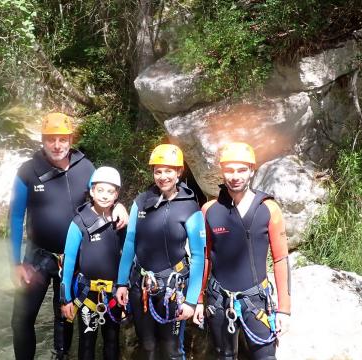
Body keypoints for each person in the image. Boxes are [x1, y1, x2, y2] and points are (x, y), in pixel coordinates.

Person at [9, 112, 128, 360]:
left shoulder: (84, 167)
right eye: (51, 139)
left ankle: (60, 356)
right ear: (42, 140)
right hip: (38, 257)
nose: (57, 145)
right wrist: (15, 262)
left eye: (62, 139)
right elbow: (16, 217)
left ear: (70, 139)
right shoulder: (28, 171)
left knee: (65, 316)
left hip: (74, 259)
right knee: (21, 318)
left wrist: (120, 206)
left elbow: (103, 194)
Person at [193, 142, 292, 360]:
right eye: (229, 170)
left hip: (255, 299)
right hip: (218, 300)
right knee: (223, 356)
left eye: (241, 170)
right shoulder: (209, 210)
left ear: (251, 171)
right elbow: (205, 257)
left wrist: (284, 309)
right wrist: (199, 300)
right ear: (222, 172)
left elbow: (281, 259)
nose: (235, 175)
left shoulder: (268, 208)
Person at [114, 144, 206, 360]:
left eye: (168, 170)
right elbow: (129, 242)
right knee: (147, 346)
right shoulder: (141, 202)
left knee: (173, 349)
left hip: (173, 288)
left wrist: (192, 300)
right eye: (158, 171)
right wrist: (121, 283)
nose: (163, 176)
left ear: (179, 172)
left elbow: (198, 255)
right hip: (141, 285)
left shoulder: (190, 207)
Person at [60, 166, 126, 360]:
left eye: (110, 191)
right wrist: (66, 298)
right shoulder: (79, 222)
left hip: (113, 292)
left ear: (116, 195)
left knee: (112, 341)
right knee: (87, 343)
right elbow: (69, 261)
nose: (104, 196)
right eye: (100, 190)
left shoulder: (120, 221)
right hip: (87, 292)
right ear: (91, 191)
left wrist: (127, 287)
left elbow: (129, 255)